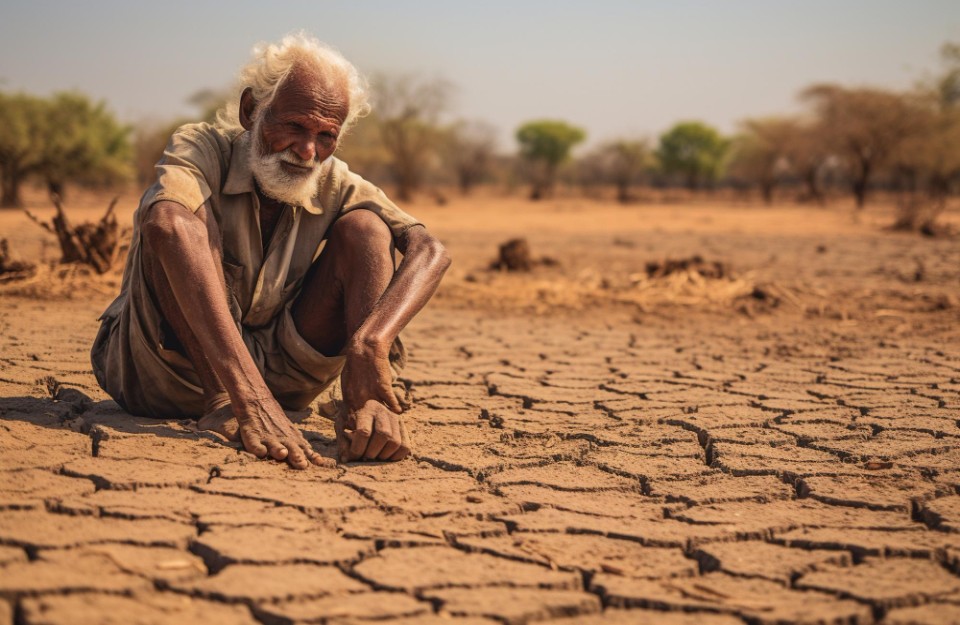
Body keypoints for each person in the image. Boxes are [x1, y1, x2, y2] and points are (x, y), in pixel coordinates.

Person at [91, 33, 450, 469]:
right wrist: (249, 399)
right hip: (166, 373)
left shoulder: (333, 177)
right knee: (175, 218)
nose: (307, 151)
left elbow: (429, 249)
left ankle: (364, 406)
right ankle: (228, 396)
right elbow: (165, 226)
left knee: (366, 229)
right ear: (250, 111)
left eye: (325, 136)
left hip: (284, 380)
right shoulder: (202, 146)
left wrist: (371, 344)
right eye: (294, 127)